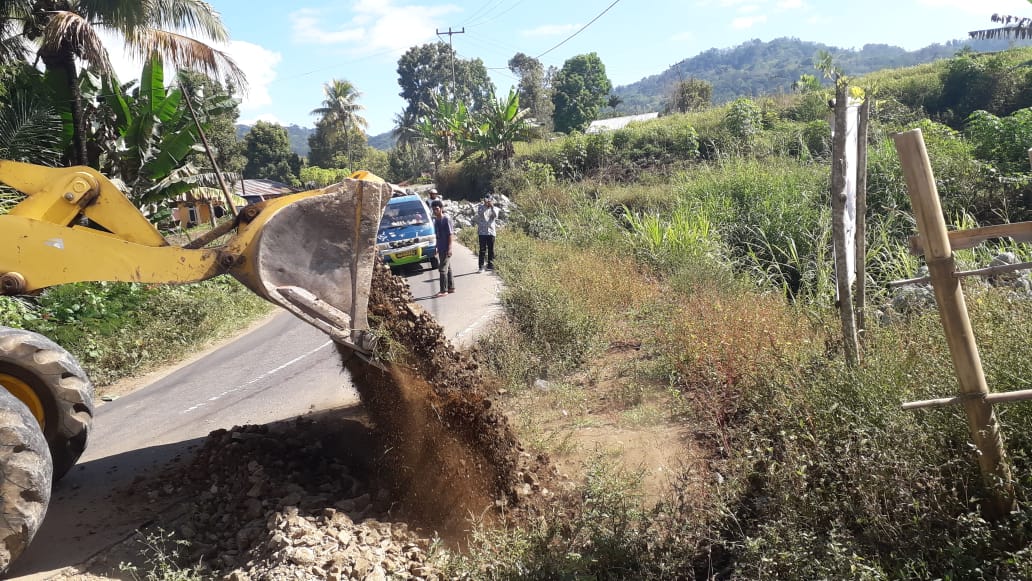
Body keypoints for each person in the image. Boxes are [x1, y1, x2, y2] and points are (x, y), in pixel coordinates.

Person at [430, 200, 455, 297]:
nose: (435, 211)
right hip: (440, 247)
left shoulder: (446, 219)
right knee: (448, 268)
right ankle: (451, 287)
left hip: (446, 247)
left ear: (441, 209)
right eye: (434, 209)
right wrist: (436, 246)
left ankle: (443, 290)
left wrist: (449, 248)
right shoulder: (436, 220)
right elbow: (437, 235)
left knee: (442, 269)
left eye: (437, 209)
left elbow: (450, 235)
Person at [475, 194, 498, 273]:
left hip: (491, 232)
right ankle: (481, 267)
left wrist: (492, 207)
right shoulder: (481, 207)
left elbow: (495, 216)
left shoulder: (495, 208)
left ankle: (490, 266)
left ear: (491, 200)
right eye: (486, 200)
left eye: (489, 200)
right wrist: (485, 205)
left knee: (491, 250)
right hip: (482, 232)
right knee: (482, 250)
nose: (487, 202)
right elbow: (481, 214)